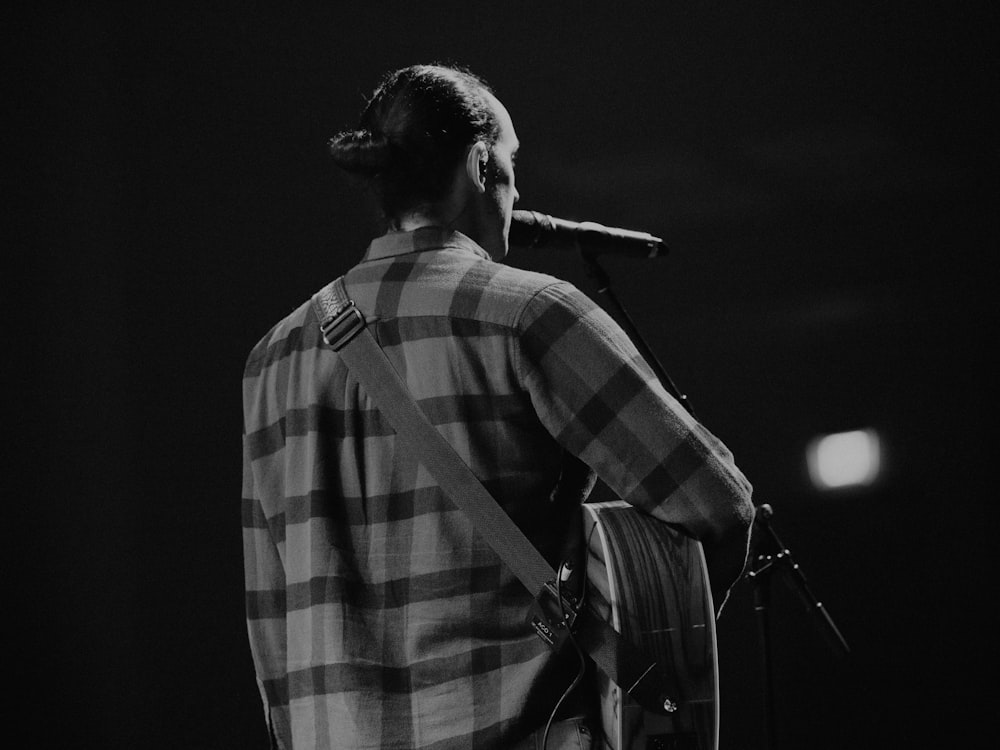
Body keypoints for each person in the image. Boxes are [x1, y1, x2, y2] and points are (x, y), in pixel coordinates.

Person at [242, 63, 754, 750]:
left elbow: (271, 617)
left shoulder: (273, 357)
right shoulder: (528, 313)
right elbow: (718, 505)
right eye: (512, 165)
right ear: (481, 163)